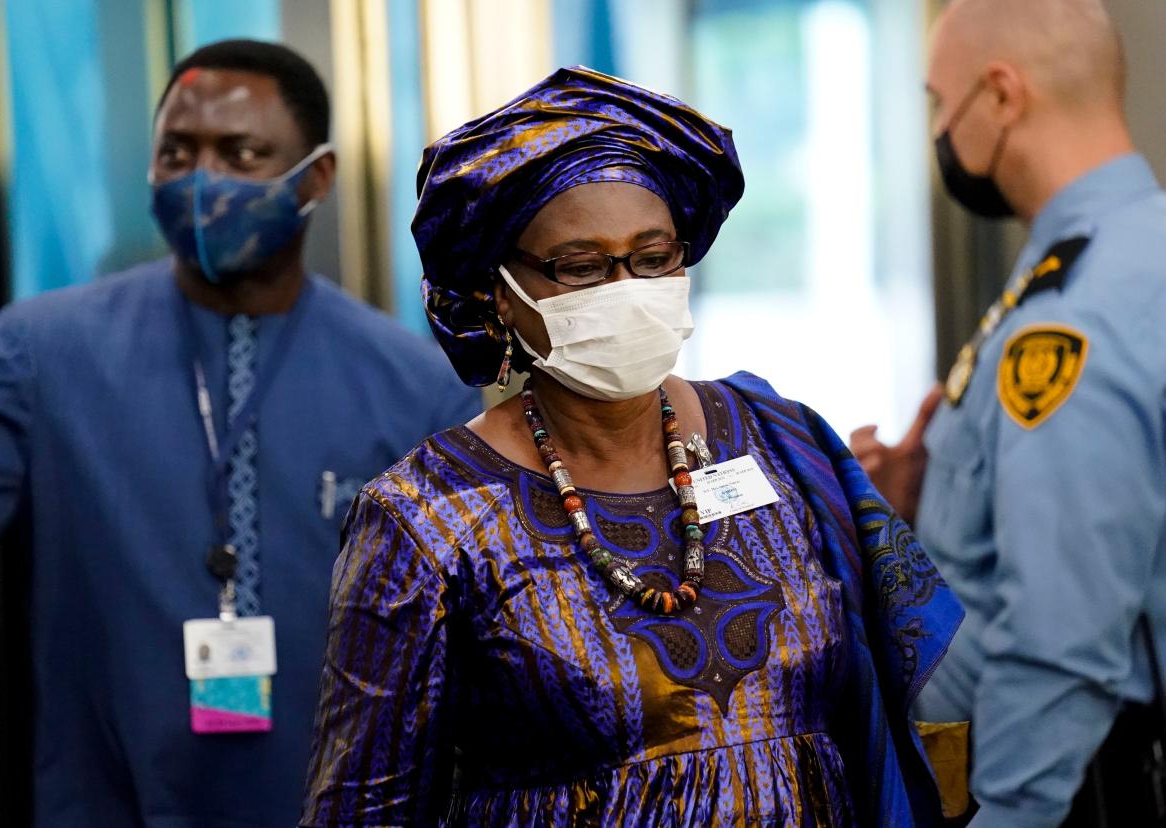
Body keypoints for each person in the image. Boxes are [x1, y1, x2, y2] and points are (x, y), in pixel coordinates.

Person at [300, 66, 962, 827]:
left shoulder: (779, 440)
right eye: (581, 267)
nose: (626, 288)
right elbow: (361, 807)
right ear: (498, 293)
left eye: (653, 258)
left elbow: (895, 686)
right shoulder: (426, 518)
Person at [0, 39, 479, 827]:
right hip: (105, 803)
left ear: (315, 178)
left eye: (242, 153)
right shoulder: (37, 354)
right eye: (176, 152)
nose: (201, 180)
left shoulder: (417, 388)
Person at [850, 0, 1166, 824]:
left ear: (1000, 96)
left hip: (1084, 787)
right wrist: (931, 500)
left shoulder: (1073, 318)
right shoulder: (1128, 254)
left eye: (938, 102)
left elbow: (1062, 641)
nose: (941, 130)